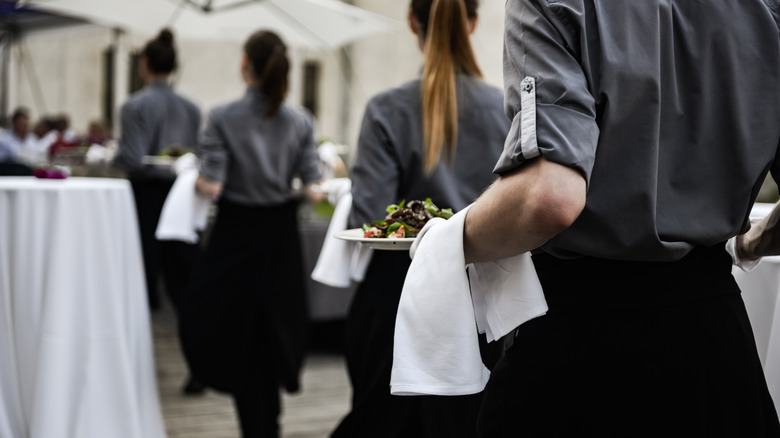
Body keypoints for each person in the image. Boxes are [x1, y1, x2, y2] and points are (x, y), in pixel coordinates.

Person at [458, 1, 780, 436]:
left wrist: (448, 241)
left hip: (577, 349)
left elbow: (550, 197)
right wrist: (749, 243)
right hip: (715, 346)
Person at [330, 1, 510, 436]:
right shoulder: (507, 108)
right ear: (473, 22)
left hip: (398, 295)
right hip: (482, 299)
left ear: (412, 21)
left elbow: (371, 217)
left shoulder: (385, 110)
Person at [178, 30, 322, 438]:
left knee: (230, 329)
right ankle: (267, 424)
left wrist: (190, 180)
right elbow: (313, 186)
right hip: (280, 237)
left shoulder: (221, 117)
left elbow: (213, 185)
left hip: (235, 236)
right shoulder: (300, 120)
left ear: (245, 65)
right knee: (273, 330)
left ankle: (256, 425)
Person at [111, 28, 202, 315]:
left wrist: (112, 159)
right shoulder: (192, 108)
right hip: (182, 194)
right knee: (180, 268)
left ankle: (146, 319)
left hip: (146, 194)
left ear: (145, 64)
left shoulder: (134, 106)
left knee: (144, 264)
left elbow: (134, 159)